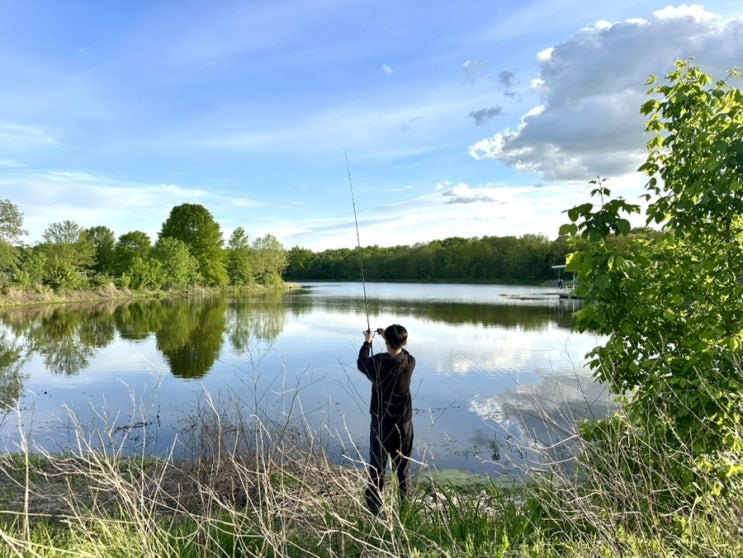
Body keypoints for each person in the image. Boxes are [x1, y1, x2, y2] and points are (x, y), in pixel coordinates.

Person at [357, 324, 416, 515]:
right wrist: (388, 339)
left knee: (377, 467)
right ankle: (406, 511)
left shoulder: (378, 362)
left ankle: (374, 509)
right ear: (404, 343)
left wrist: (368, 342)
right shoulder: (409, 362)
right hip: (404, 425)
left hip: (381, 425)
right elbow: (402, 352)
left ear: (387, 343)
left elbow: (361, 362)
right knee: (403, 469)